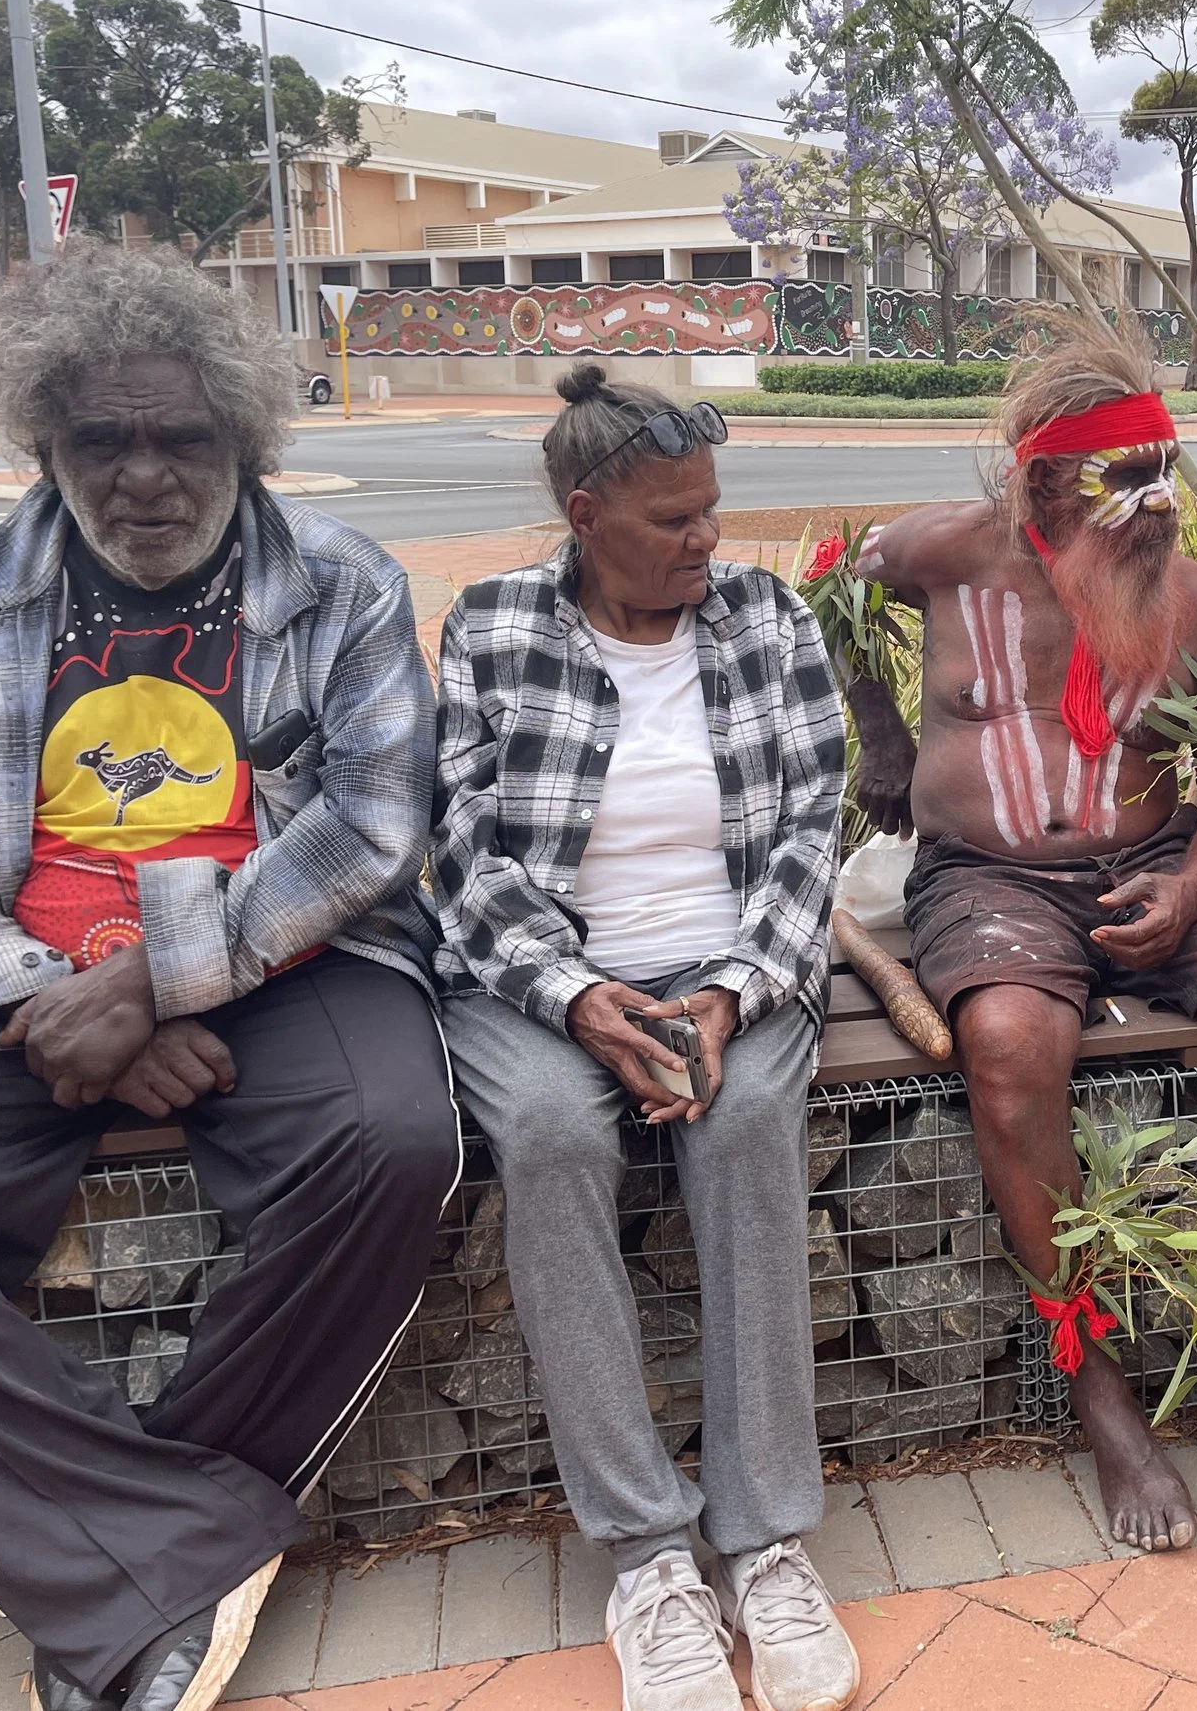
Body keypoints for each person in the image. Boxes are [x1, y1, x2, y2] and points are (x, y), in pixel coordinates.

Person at [0, 245, 460, 1711]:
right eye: (101, 441)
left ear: (243, 440)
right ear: (45, 442)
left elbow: (377, 824)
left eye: (181, 438)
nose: (143, 476)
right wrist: (42, 996)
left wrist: (157, 982)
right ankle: (177, 1551)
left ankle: (129, 1562)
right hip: (27, 966)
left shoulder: (340, 584)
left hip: (287, 945)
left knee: (400, 1143)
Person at [846, 312, 1197, 1552]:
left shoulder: (1185, 596)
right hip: (987, 881)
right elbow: (828, 596)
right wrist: (884, 741)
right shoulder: (941, 554)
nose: (1146, 519)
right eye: (1113, 496)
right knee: (1011, 1041)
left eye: (1157, 490)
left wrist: (1187, 889)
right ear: (1036, 483)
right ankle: (1100, 1393)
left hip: (1154, 868)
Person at [430, 364, 860, 1711]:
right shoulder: (494, 625)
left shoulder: (766, 618)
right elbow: (458, 843)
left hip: (732, 958)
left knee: (740, 1120)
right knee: (553, 1130)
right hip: (532, 972)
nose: (706, 539)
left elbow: (812, 823)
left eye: (712, 512)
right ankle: (647, 1558)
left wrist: (732, 985)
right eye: (673, 519)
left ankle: (770, 1538)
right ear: (583, 513)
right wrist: (571, 994)